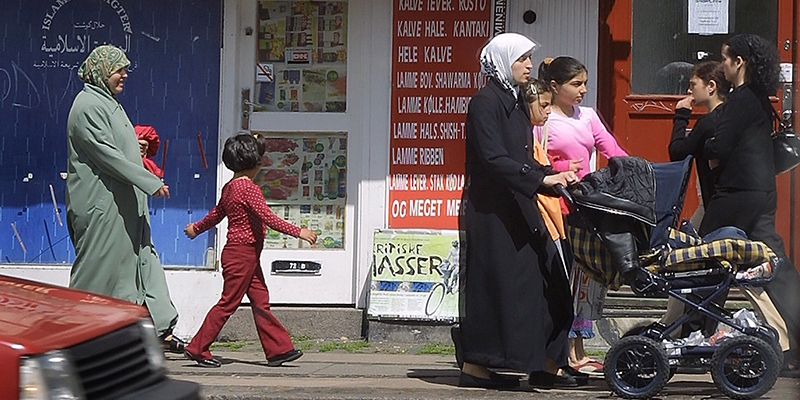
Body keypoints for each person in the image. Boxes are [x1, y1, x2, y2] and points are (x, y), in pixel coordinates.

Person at [458, 33, 580, 390]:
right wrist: (541, 179)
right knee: (496, 288)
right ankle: (479, 367)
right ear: (503, 61)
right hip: (494, 213)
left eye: (529, 59)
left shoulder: (513, 101)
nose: (529, 65)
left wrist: (551, 176)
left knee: (548, 284)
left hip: (518, 205)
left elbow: (521, 158)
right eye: (522, 59)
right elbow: (494, 159)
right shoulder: (486, 102)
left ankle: (544, 363)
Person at [65, 45, 183, 352]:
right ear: (103, 71)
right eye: (119, 69)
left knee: (143, 262)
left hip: (125, 205)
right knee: (100, 270)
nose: (124, 75)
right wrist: (148, 182)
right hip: (103, 207)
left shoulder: (109, 103)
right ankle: (73, 334)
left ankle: (160, 327)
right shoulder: (87, 106)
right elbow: (107, 155)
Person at [701, 33, 800, 377]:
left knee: (705, 256)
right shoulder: (759, 97)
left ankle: (698, 332)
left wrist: (704, 142)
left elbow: (721, 145)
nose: (722, 66)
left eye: (725, 59)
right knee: (776, 265)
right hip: (762, 190)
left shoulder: (741, 100)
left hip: (736, 192)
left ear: (738, 62)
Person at [183, 133, 317, 368]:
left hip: (243, 254)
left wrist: (196, 228)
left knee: (260, 300)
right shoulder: (249, 189)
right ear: (256, 164)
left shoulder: (230, 187)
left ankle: (278, 350)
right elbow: (267, 217)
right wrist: (299, 232)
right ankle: (197, 347)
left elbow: (216, 214)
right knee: (228, 302)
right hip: (243, 254)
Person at [535, 56, 629, 374]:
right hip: (554, 207)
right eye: (576, 84)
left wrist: (638, 173)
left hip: (584, 208)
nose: (583, 90)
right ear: (554, 86)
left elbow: (612, 150)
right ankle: (562, 352)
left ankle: (578, 350)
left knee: (584, 279)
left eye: (585, 83)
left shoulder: (587, 116)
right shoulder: (544, 120)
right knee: (561, 278)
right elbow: (537, 163)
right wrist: (563, 169)